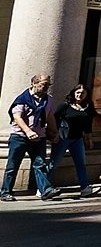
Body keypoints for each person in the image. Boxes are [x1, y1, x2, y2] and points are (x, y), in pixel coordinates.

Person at [4, 73, 57, 202]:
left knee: (40, 164)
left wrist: (54, 133)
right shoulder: (22, 99)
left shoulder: (48, 100)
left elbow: (49, 116)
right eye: (43, 84)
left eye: (48, 85)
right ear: (34, 83)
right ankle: (5, 192)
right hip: (20, 137)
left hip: (39, 137)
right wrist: (28, 131)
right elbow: (17, 117)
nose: (46, 87)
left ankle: (46, 190)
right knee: (13, 165)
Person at [52, 83, 100, 199]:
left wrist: (89, 139)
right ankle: (43, 187)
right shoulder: (65, 106)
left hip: (77, 138)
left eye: (83, 93)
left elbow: (88, 124)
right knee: (54, 163)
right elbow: (53, 118)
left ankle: (85, 188)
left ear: (87, 94)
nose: (80, 95)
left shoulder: (88, 106)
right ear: (73, 93)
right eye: (78, 93)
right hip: (64, 137)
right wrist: (54, 133)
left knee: (81, 163)